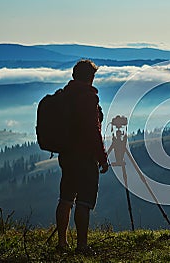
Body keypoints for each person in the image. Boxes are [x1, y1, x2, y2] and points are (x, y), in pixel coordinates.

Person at [56, 59, 109, 254]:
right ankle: (82, 246)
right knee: (84, 201)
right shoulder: (87, 97)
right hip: (84, 156)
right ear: (91, 77)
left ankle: (62, 243)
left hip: (66, 155)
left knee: (65, 198)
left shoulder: (65, 95)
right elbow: (92, 131)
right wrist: (102, 158)